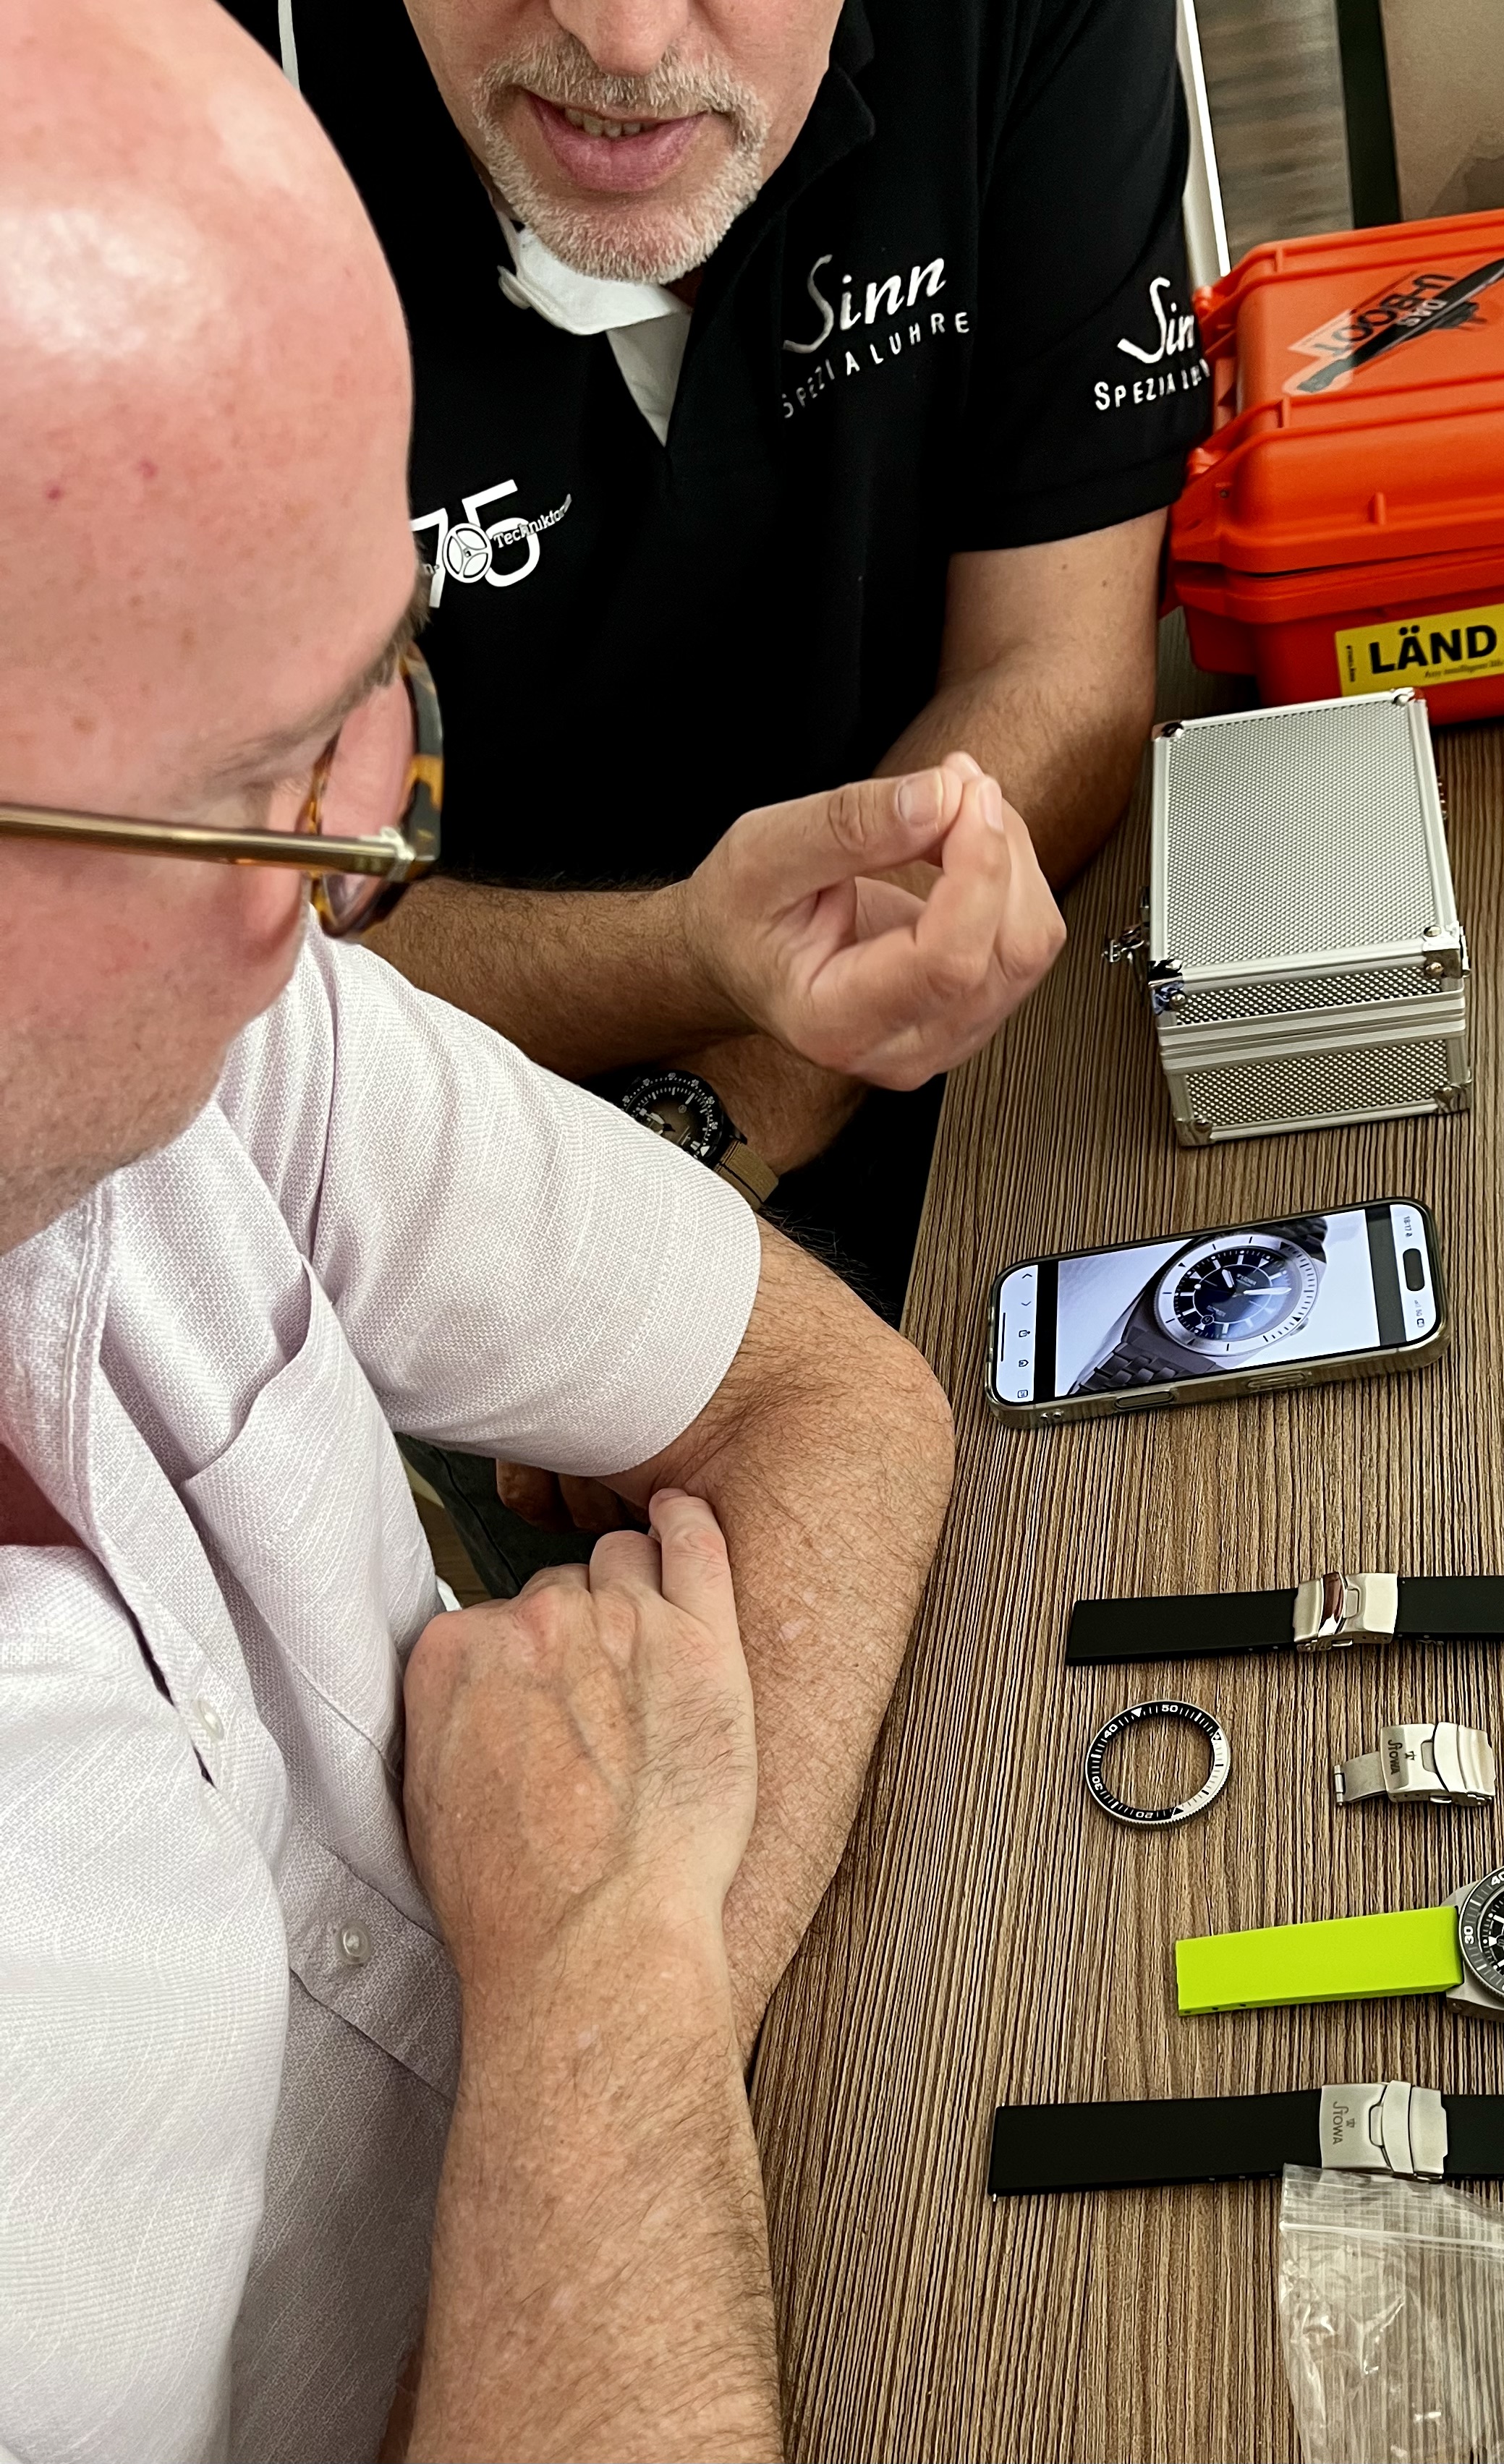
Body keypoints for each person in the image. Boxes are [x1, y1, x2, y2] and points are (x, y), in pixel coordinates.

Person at [0, 2, 968, 2454]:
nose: (365, 856)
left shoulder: (192, 1032)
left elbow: (827, 1403)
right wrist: (597, 1978)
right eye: (257, 783)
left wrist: (596, 2147)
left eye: (375, 686)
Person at [223, 0, 1210, 1313]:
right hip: (385, 1199)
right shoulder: (122, 132)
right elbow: (180, 927)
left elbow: (1059, 666)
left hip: (964, 1090)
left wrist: (728, 1107)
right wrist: (691, 968)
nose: (624, 45)